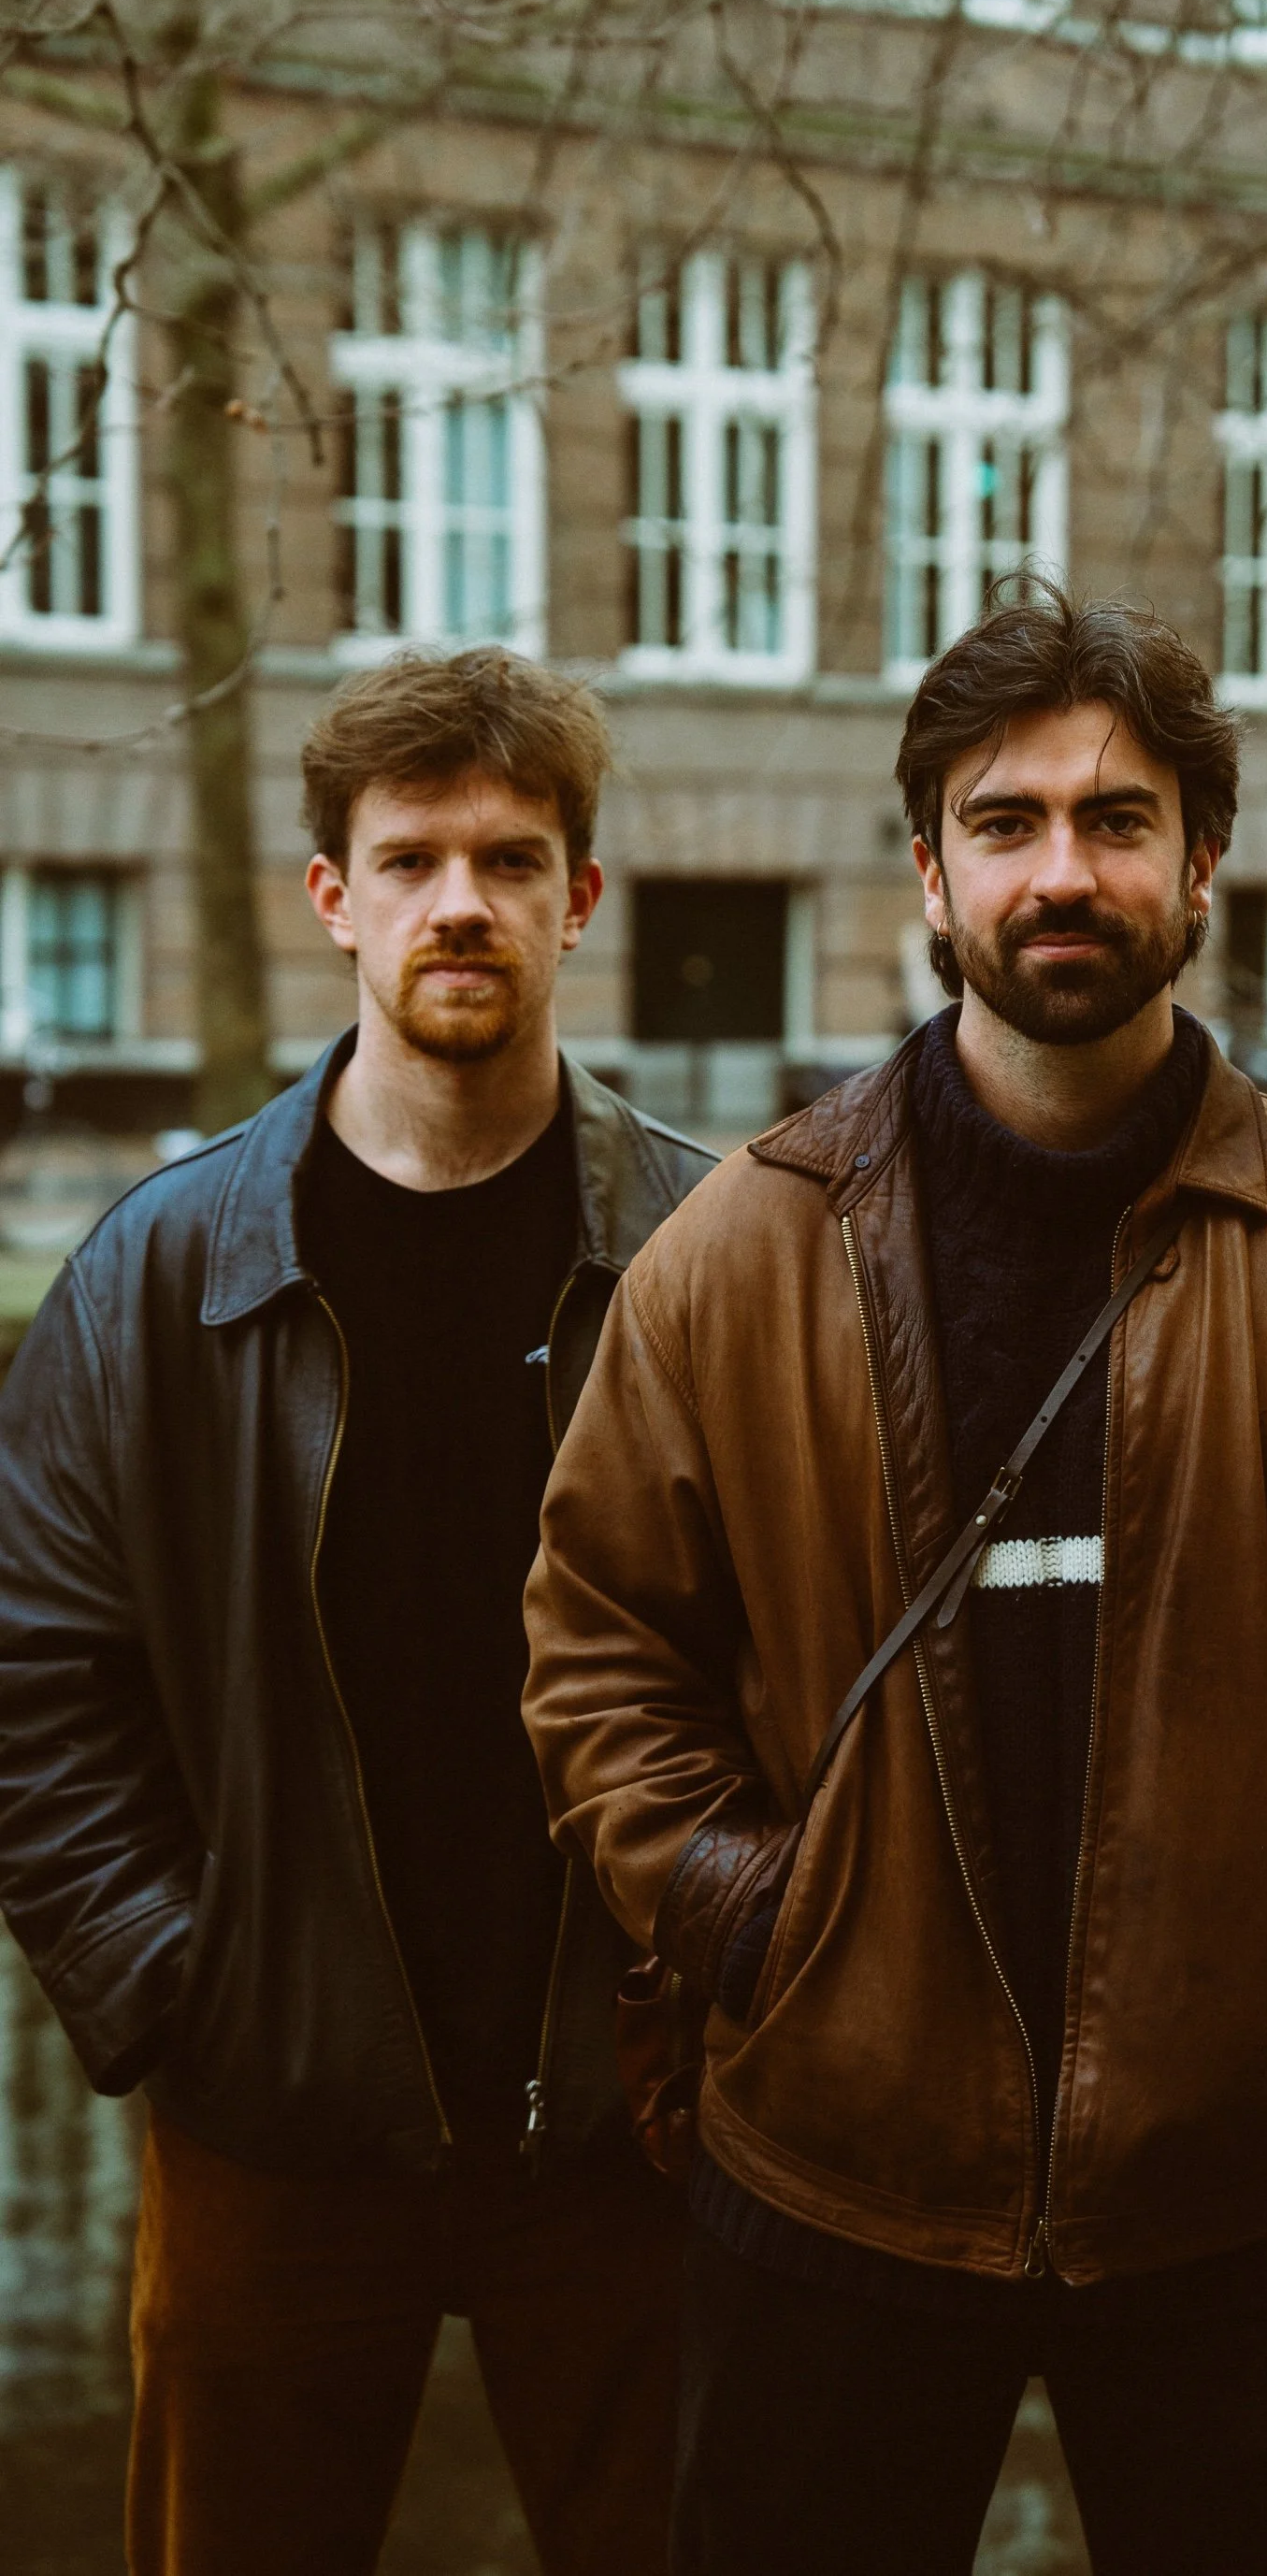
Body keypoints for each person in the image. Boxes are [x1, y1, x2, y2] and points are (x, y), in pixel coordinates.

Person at [522, 583, 1267, 2576]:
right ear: (928, 868)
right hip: (832, 2166)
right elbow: (600, 1653)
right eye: (1006, 822)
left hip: (1240, 2182)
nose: (1061, 870)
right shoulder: (744, 1249)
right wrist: (752, 1925)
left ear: (1202, 866)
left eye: (1115, 819)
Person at [0, 648, 714, 2576]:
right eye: (409, 860)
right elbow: (36, 1681)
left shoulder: (716, 1256)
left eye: (507, 857)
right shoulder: (163, 1275)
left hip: (636, 2116)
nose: (458, 903)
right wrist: (175, 1988)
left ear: (578, 897)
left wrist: (739, 1979)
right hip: (277, 2113)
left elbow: (825, 1655)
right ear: (334, 901)